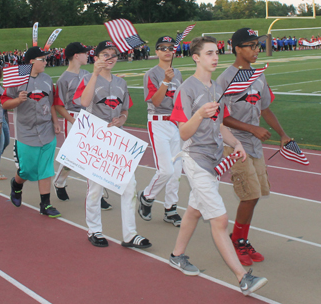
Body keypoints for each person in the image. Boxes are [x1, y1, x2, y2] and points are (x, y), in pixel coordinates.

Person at [168, 36, 267, 296]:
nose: (215, 57)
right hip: (195, 159)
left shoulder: (215, 88)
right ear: (196, 57)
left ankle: (177, 255)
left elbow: (221, 125)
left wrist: (236, 144)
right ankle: (243, 277)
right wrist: (199, 114)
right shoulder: (186, 89)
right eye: (210, 53)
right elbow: (183, 133)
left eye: (217, 52)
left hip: (213, 160)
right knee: (220, 219)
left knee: (194, 211)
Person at [217, 28, 290, 266]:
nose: (256, 50)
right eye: (251, 46)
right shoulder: (225, 78)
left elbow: (265, 108)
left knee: (256, 194)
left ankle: (239, 238)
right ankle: (237, 242)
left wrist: (282, 134)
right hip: (235, 143)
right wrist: (252, 129)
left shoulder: (259, 76)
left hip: (255, 145)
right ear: (237, 48)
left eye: (258, 46)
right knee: (248, 195)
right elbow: (221, 117)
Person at [74, 40, 151, 249]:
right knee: (95, 188)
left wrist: (123, 119)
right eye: (105, 54)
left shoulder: (121, 82)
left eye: (113, 54)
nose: (110, 58)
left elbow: (125, 109)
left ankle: (130, 234)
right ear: (96, 57)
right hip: (96, 140)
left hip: (118, 139)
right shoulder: (88, 79)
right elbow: (83, 102)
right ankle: (94, 230)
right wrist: (95, 75)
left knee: (130, 186)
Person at [1, 46, 62, 218]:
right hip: (25, 132)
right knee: (27, 170)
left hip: (46, 130)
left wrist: (56, 122)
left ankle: (45, 204)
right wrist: (17, 101)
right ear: (31, 62)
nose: (45, 62)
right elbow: (4, 103)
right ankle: (17, 184)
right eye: (42, 59)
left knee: (46, 168)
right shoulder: (17, 79)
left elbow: (50, 103)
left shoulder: (47, 79)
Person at [53, 42, 112, 210]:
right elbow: (59, 105)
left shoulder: (88, 74)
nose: (88, 55)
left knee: (93, 158)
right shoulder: (63, 79)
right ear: (76, 56)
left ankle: (96, 195)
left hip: (91, 118)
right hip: (74, 118)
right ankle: (59, 182)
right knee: (72, 159)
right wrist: (73, 122)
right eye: (85, 53)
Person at [138, 36, 183, 226]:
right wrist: (165, 81)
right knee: (166, 169)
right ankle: (147, 197)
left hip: (175, 123)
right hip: (158, 122)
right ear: (156, 52)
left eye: (170, 48)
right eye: (162, 48)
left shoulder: (178, 73)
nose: (167, 51)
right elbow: (155, 101)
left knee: (177, 171)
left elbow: (180, 101)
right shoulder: (152, 74)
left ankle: (170, 208)